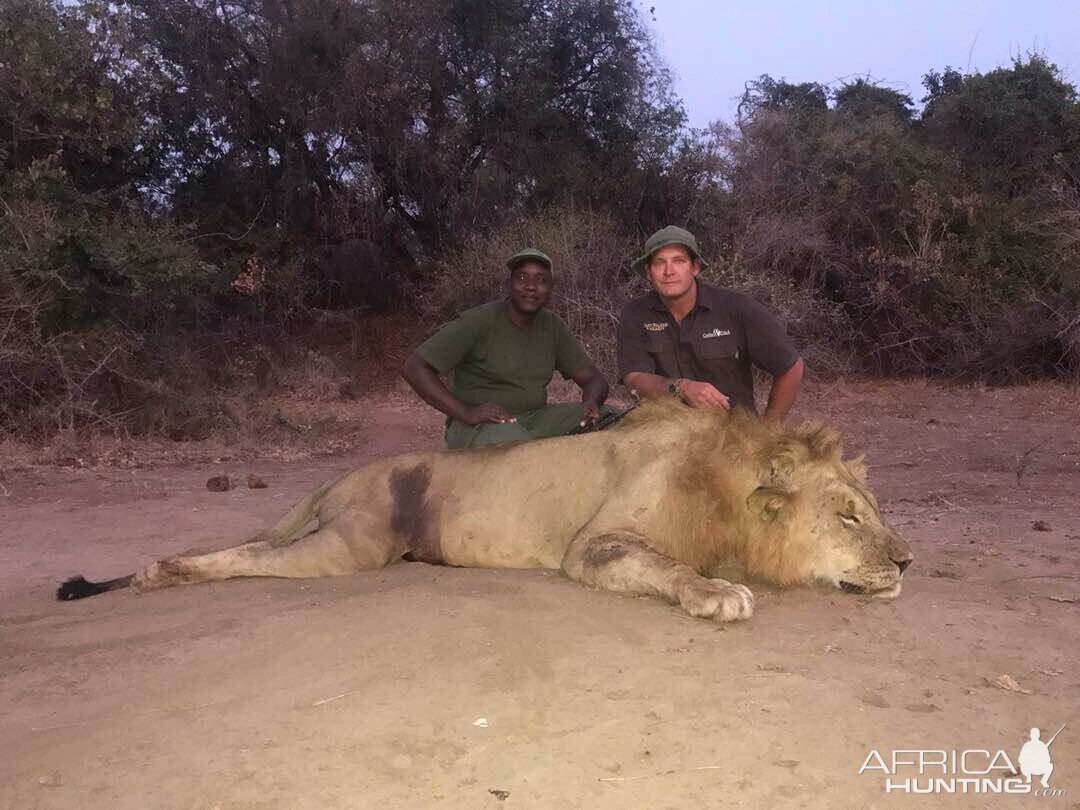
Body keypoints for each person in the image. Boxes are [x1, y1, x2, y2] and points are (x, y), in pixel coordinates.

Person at [402, 248, 609, 448]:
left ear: (550, 289)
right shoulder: (478, 321)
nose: (531, 286)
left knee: (611, 419)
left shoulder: (553, 326)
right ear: (508, 284)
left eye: (541, 280)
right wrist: (466, 412)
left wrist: (591, 401)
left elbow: (593, 378)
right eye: (521, 278)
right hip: (481, 425)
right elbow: (415, 367)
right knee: (520, 449)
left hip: (535, 417)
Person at [616, 225, 804, 421]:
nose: (669, 271)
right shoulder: (635, 314)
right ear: (648, 272)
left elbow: (790, 366)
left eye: (679, 261)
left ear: (695, 267)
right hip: (665, 432)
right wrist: (681, 387)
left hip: (732, 432)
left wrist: (770, 429)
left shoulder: (737, 307)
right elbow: (635, 378)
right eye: (659, 263)